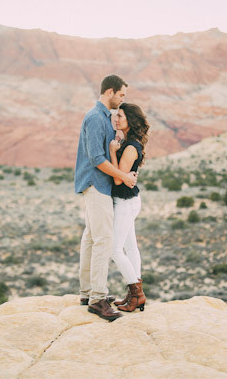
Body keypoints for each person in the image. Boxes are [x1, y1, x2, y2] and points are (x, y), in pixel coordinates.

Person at [74, 74, 137, 321]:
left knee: (91, 238)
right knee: (103, 240)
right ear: (109, 92)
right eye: (121, 95)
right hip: (96, 185)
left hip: (96, 185)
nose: (122, 100)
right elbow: (96, 159)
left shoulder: (102, 117)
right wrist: (123, 174)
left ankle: (87, 292)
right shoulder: (95, 117)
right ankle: (97, 299)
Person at [109, 103, 149, 312]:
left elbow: (118, 181)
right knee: (130, 247)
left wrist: (112, 152)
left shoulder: (131, 147)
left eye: (121, 116)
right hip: (128, 200)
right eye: (116, 115)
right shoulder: (128, 142)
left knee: (115, 249)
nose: (117, 119)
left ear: (130, 121)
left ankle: (137, 294)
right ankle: (134, 294)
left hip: (125, 202)